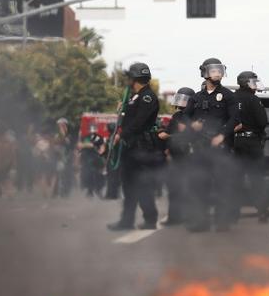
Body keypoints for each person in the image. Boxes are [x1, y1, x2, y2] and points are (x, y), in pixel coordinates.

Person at [107, 62, 163, 231]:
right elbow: (129, 120)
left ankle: (150, 218)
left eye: (129, 77)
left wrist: (121, 134)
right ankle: (127, 220)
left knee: (142, 185)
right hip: (131, 148)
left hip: (142, 148)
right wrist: (122, 111)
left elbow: (139, 122)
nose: (128, 80)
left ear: (135, 78)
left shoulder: (147, 97)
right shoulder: (134, 97)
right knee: (129, 186)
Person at [186, 57, 237, 232]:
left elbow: (234, 119)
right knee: (199, 186)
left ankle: (222, 222)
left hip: (220, 149)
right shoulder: (196, 97)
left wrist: (222, 135)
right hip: (200, 148)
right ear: (205, 72)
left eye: (219, 69)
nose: (218, 73)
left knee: (222, 186)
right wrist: (192, 125)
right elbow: (186, 117)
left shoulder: (228, 96)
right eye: (213, 70)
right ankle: (201, 221)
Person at [232, 71, 269, 223]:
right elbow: (262, 122)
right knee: (257, 179)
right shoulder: (253, 100)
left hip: (234, 143)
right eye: (253, 82)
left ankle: (232, 213)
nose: (255, 85)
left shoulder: (231, 99)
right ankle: (262, 212)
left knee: (234, 179)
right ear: (246, 83)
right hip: (251, 143)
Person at [157, 87, 195, 225]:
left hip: (181, 159)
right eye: (180, 99)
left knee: (175, 189)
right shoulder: (196, 116)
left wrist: (161, 133)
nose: (181, 103)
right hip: (189, 157)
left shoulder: (178, 117)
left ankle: (175, 217)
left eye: (184, 100)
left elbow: (165, 134)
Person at [79, 129, 106, 198]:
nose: (92, 130)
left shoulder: (99, 137)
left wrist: (100, 152)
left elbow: (102, 147)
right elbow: (80, 145)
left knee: (100, 174)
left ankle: (99, 190)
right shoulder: (85, 137)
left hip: (96, 158)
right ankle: (90, 191)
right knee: (88, 174)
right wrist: (89, 145)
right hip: (87, 158)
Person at [52, 117, 74, 198]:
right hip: (59, 158)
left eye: (63, 125)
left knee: (67, 175)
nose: (61, 127)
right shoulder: (57, 135)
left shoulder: (69, 135)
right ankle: (57, 192)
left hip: (67, 158)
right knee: (59, 175)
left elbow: (69, 145)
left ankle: (65, 192)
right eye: (60, 125)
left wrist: (64, 135)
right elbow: (55, 144)